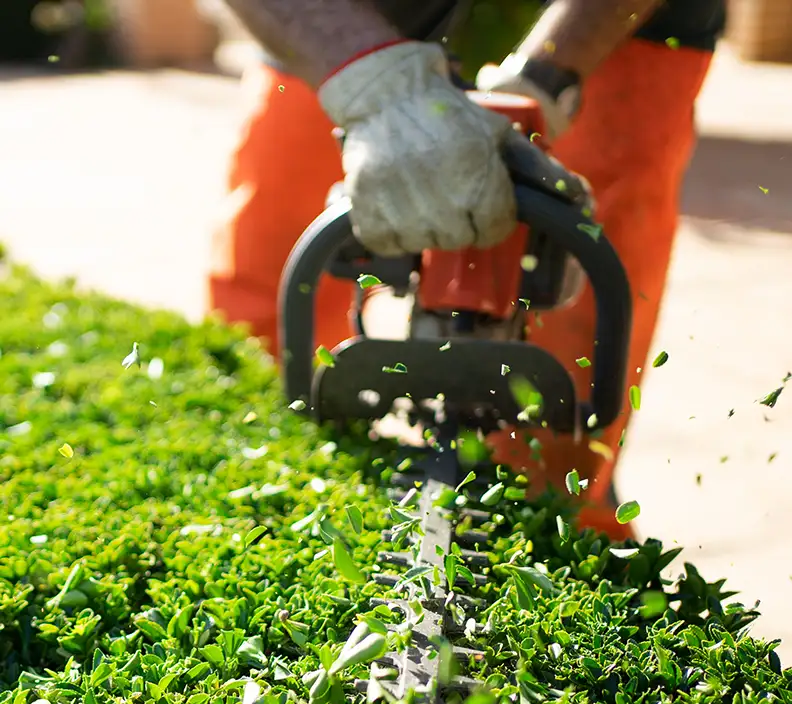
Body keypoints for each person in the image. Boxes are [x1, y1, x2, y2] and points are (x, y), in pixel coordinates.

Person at [208, 0, 726, 539]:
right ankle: (270, 521)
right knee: (264, 312)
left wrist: (548, 79)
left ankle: (560, 531)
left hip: (613, 23)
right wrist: (376, 87)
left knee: (576, 387)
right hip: (338, 18)